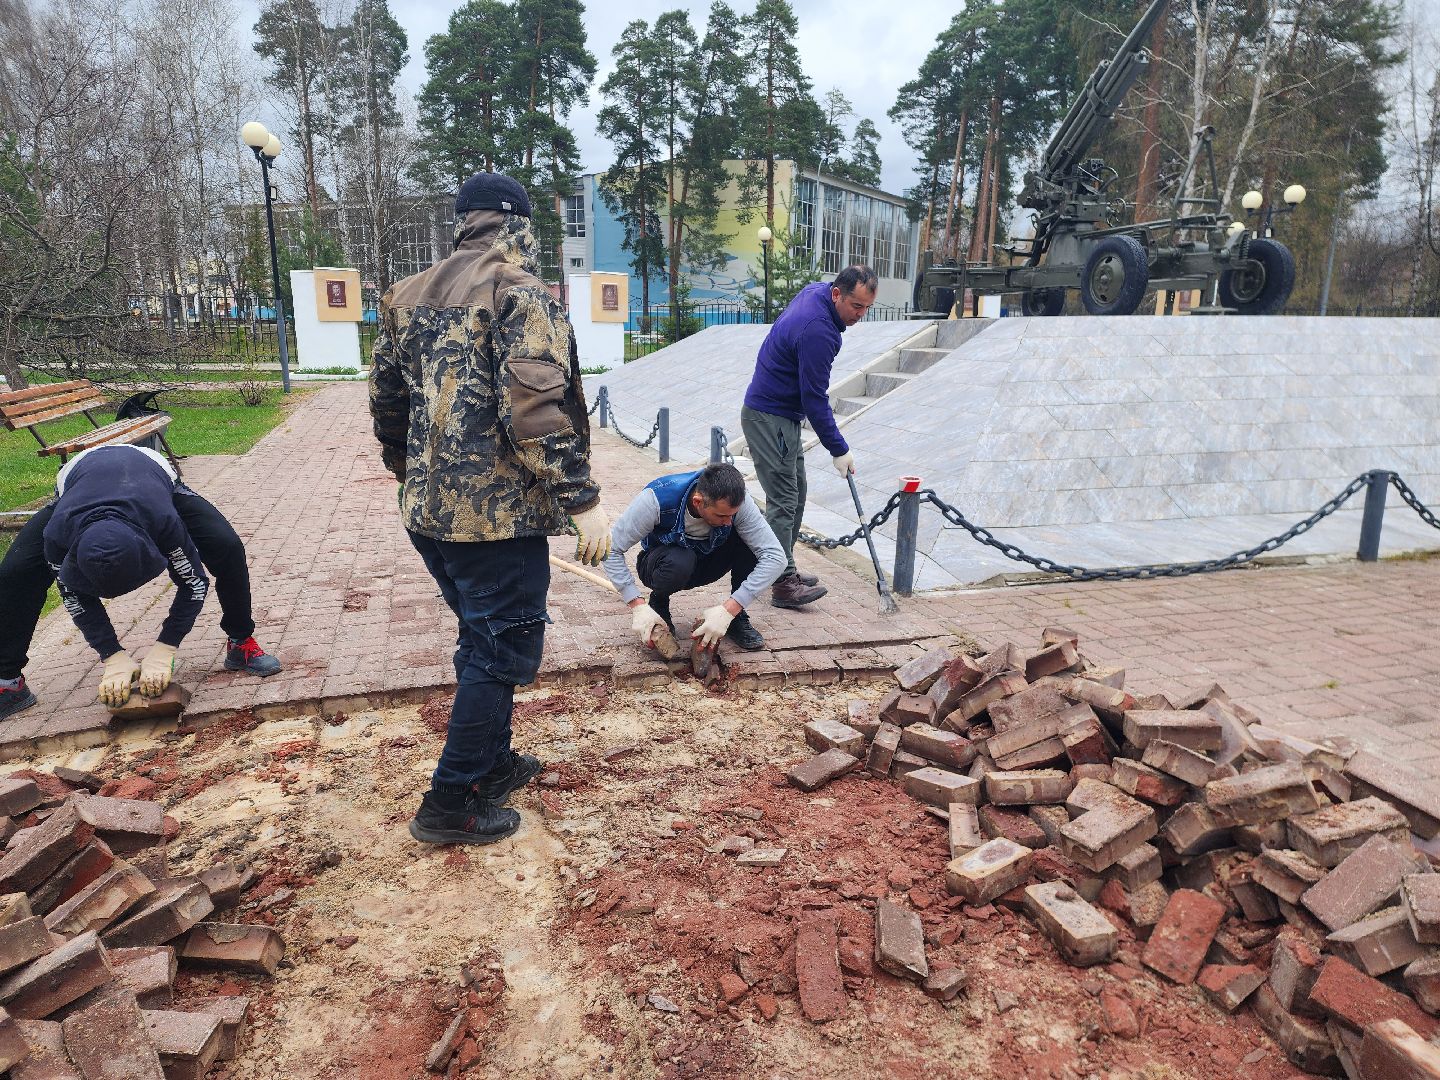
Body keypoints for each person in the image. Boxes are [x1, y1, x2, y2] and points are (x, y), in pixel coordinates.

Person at [370, 171, 608, 848]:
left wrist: (410, 472)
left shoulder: (405, 295)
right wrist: (581, 499)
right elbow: (534, 406)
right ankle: (450, 803)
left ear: (463, 222)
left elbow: (387, 402)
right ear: (517, 226)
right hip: (495, 521)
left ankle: (491, 764)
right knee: (500, 653)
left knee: (481, 641)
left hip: (429, 514)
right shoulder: (518, 290)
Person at [0, 443, 282, 719]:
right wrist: (111, 655)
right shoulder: (57, 536)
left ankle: (241, 642)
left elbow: (193, 581)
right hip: (77, 482)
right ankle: (9, 682)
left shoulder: (162, 519)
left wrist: (166, 647)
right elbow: (74, 595)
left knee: (227, 546)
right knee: (14, 573)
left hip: (149, 473)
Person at [741, 265, 877, 609]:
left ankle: (781, 566)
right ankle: (781, 582)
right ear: (837, 294)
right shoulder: (820, 331)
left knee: (796, 492)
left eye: (866, 308)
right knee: (784, 499)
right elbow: (813, 397)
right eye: (856, 307)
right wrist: (839, 448)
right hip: (770, 417)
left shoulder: (817, 293)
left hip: (778, 414)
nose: (860, 316)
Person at [602, 463, 786, 654]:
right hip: (663, 566)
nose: (729, 521)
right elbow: (611, 549)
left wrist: (730, 609)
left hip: (708, 562)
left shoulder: (738, 502)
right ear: (698, 502)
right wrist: (636, 604)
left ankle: (735, 618)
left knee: (752, 544)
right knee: (680, 560)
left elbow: (775, 557)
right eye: (722, 515)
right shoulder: (656, 500)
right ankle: (659, 602)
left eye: (732, 515)